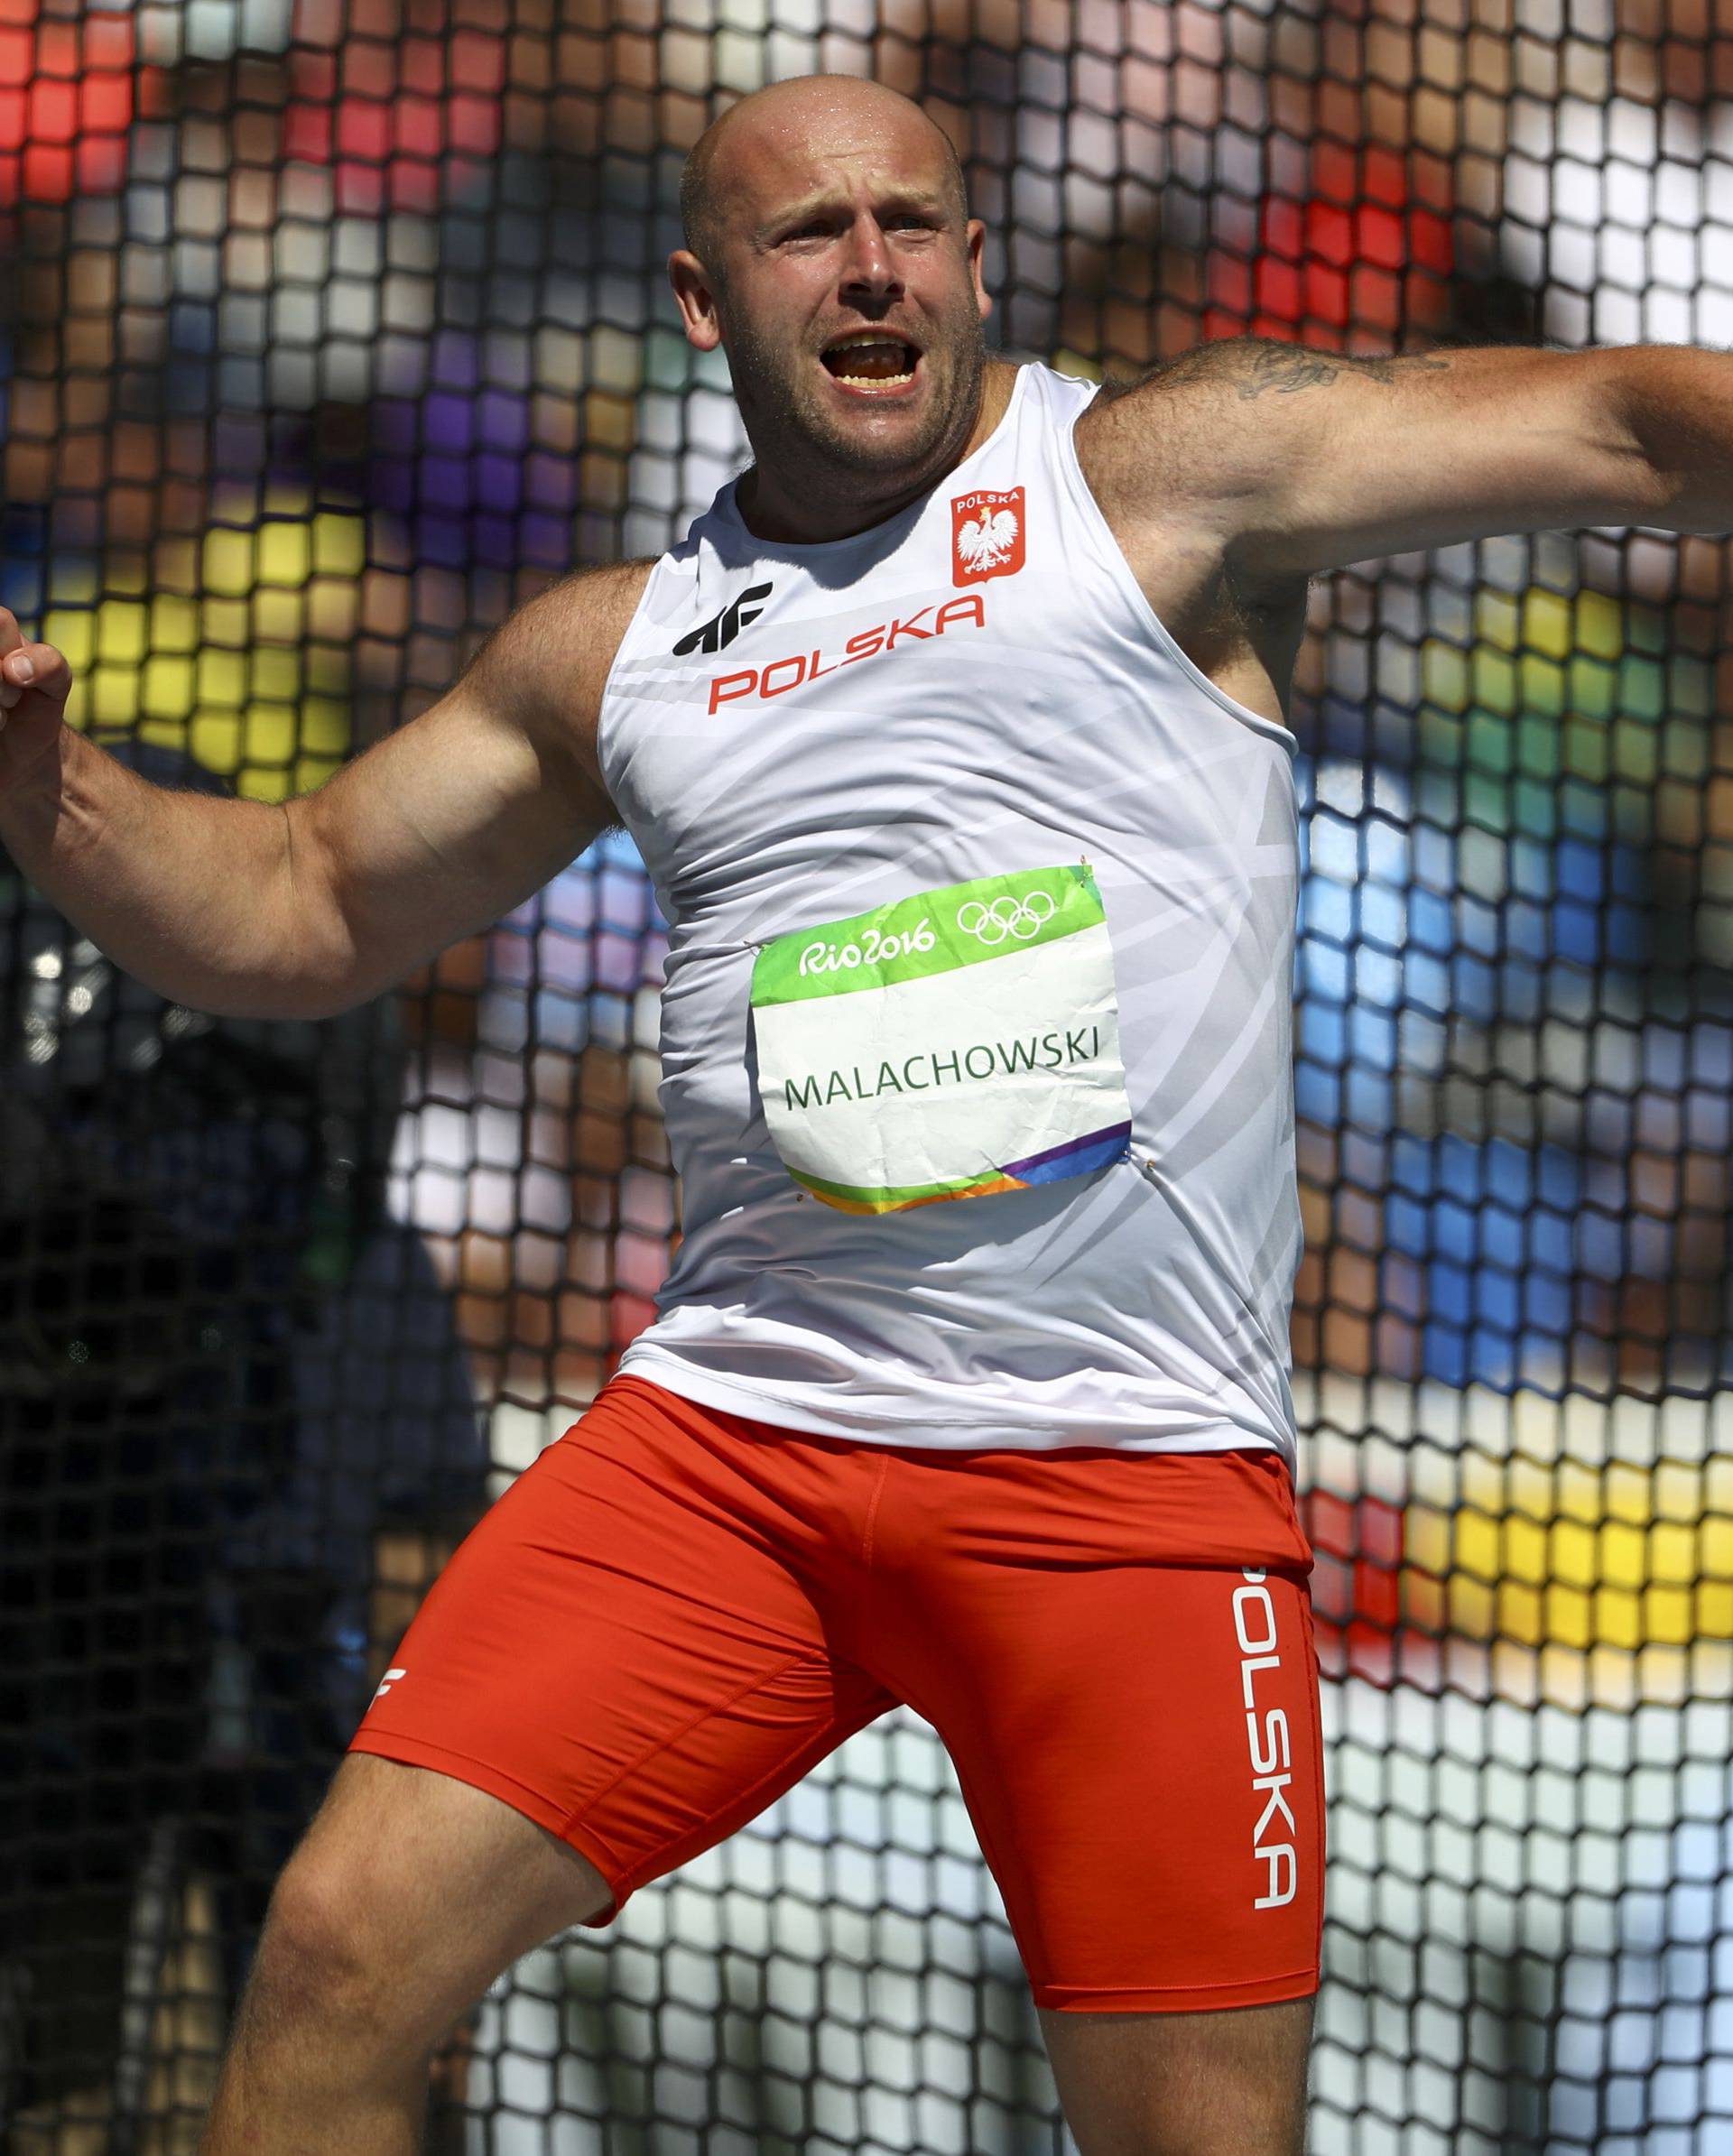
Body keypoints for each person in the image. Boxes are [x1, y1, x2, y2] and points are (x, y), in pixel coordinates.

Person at [2, 69, 1728, 2156]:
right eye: (814, 233)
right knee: (338, 1959)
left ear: (977, 257)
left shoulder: (1156, 478)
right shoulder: (617, 653)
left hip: (1123, 1489)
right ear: (704, 298)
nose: (876, 263)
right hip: (739, 1452)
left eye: (913, 220)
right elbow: (301, 902)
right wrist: (48, 794)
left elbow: (1630, 426)